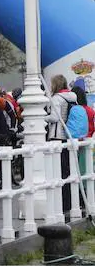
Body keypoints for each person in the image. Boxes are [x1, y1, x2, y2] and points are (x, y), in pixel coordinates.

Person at [46, 74, 78, 216]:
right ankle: (72, 200)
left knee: (58, 171)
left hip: (57, 136)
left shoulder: (56, 98)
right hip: (69, 135)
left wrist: (41, 117)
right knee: (69, 169)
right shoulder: (73, 96)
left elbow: (55, 117)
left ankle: (63, 203)